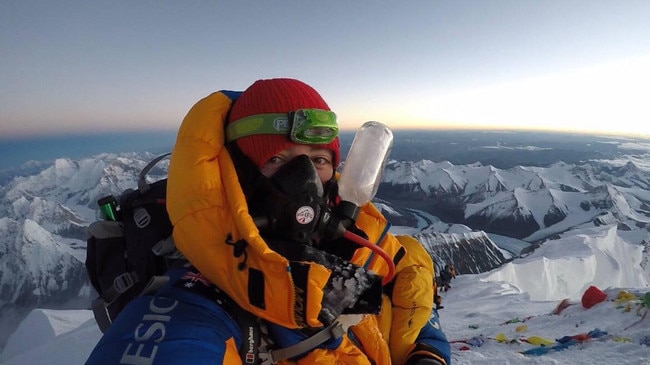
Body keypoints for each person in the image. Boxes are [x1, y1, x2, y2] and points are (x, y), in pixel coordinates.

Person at [85, 78, 450, 365]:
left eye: (319, 160)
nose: (304, 180)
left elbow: (406, 271)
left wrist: (425, 354)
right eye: (276, 159)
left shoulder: (342, 251)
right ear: (238, 176)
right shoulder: (190, 305)